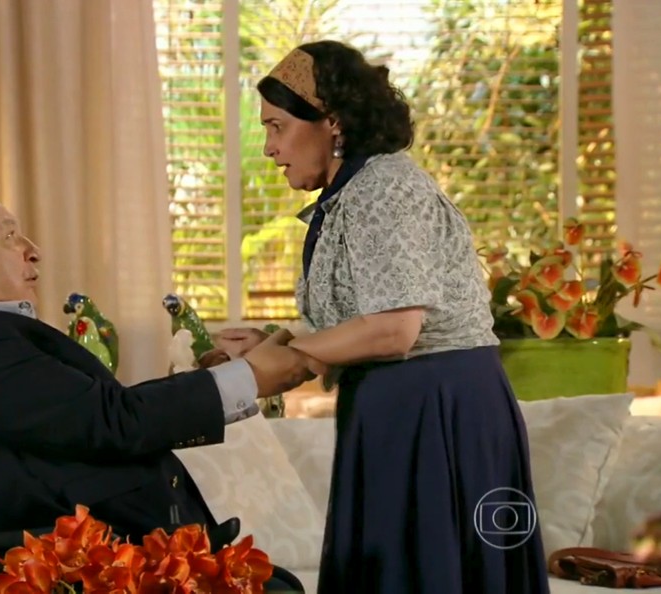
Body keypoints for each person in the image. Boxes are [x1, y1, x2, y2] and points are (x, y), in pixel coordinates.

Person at [217, 41, 551, 593]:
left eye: (277, 127)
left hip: (437, 410)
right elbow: (366, 320)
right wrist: (270, 342)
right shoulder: (349, 195)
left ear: (332, 122)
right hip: (398, 405)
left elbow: (395, 330)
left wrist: (289, 356)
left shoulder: (384, 187)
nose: (270, 148)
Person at [0, 190, 315, 552]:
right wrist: (249, 378)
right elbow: (113, 420)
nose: (33, 251)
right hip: (90, 566)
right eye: (9, 236)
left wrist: (230, 374)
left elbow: (90, 414)